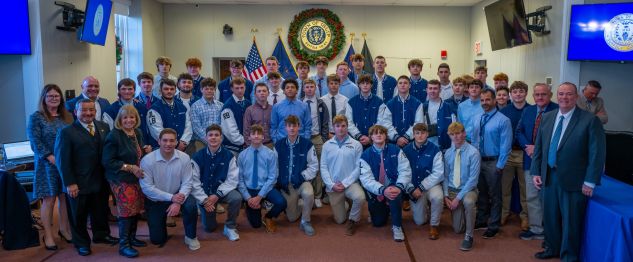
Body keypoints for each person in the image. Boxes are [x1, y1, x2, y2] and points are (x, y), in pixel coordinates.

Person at [530, 82, 605, 261]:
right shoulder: (547, 117)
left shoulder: (589, 120)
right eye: (561, 94)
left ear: (576, 96)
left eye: (569, 94)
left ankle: (569, 256)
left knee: (571, 221)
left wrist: (590, 180)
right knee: (550, 218)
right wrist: (535, 171)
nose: (565, 97)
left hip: (574, 180)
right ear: (557, 95)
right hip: (548, 176)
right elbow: (539, 147)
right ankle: (551, 248)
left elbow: (597, 152)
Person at [55, 99, 118, 256]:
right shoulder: (66, 132)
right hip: (78, 182)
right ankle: (81, 242)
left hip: (101, 180)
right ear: (76, 112)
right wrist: (69, 183)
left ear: (95, 112)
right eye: (84, 110)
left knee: (101, 210)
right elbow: (62, 160)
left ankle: (101, 234)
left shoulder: (103, 127)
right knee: (78, 215)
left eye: (91, 110)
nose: (88, 113)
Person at [27, 84, 74, 251]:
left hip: (65, 163)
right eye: (50, 96)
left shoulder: (67, 117)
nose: (54, 98)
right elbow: (35, 141)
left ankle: (64, 229)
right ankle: (48, 235)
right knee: (49, 199)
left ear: (61, 98)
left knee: (64, 197)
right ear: (44, 99)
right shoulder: (37, 117)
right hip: (47, 164)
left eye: (57, 96)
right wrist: (50, 156)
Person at [102, 105, 151, 258]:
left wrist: (145, 150)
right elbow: (107, 161)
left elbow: (137, 153)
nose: (129, 120)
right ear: (120, 120)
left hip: (136, 177)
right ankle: (124, 245)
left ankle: (132, 238)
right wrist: (129, 167)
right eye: (125, 118)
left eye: (132, 117)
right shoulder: (114, 135)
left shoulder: (137, 132)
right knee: (126, 210)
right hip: (120, 178)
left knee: (136, 208)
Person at [139, 128, 199, 250]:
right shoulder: (147, 160)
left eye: (172, 141)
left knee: (191, 205)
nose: (168, 144)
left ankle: (191, 236)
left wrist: (177, 201)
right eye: (165, 140)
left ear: (176, 142)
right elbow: (147, 188)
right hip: (156, 199)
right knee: (157, 240)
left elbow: (188, 182)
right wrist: (171, 198)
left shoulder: (185, 158)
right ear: (158, 141)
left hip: (179, 195)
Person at [515, 83, 558, 241]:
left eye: (543, 94)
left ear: (550, 95)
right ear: (533, 96)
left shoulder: (558, 111)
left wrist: (538, 148)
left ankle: (551, 229)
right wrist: (528, 147)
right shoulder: (528, 110)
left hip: (550, 161)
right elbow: (519, 132)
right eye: (537, 94)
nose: (540, 97)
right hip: (530, 159)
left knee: (549, 196)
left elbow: (559, 137)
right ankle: (536, 229)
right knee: (532, 195)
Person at [471, 88, 513, 239]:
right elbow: (474, 139)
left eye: (488, 100)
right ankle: (482, 220)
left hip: (494, 162)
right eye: (482, 100)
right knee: (481, 193)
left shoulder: (503, 120)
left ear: (495, 100)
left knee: (495, 195)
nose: (484, 103)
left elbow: (506, 146)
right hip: (479, 161)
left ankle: (494, 225)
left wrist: (500, 165)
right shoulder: (477, 118)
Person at [359, 125, 411, 242]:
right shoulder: (365, 155)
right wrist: (382, 190)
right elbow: (366, 179)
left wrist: (399, 186)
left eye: (381, 133)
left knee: (394, 194)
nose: (378, 135)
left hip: (394, 188)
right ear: (371, 137)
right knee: (378, 222)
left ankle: (397, 226)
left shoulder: (396, 150)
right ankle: (385, 209)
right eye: (375, 133)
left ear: (385, 136)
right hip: (378, 191)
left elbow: (405, 170)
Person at [190, 124, 242, 241]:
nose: (213, 138)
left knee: (236, 198)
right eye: (210, 135)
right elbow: (194, 181)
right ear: (206, 138)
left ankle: (230, 226)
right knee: (209, 228)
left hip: (221, 192)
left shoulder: (229, 156)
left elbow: (232, 179)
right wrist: (204, 200)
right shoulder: (197, 156)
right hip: (205, 195)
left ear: (221, 138)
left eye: (216, 135)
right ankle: (202, 206)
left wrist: (217, 195)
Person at [320, 115, 366, 235]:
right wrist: (331, 184)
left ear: (347, 127)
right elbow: (323, 167)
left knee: (360, 197)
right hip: (334, 186)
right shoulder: (327, 145)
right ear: (333, 128)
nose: (341, 129)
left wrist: (345, 183)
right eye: (338, 126)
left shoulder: (356, 145)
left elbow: (358, 168)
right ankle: (345, 204)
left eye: (343, 126)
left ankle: (353, 220)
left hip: (350, 184)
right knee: (340, 220)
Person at [237, 125, 287, 232]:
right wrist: (248, 198)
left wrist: (260, 196)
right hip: (250, 190)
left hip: (266, 187)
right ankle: (249, 206)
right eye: (253, 134)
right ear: (249, 137)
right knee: (256, 225)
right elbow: (240, 179)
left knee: (281, 202)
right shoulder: (242, 155)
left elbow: (272, 177)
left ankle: (268, 216)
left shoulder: (270, 154)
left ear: (263, 137)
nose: (256, 136)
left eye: (259, 134)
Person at [275, 116, 318, 236]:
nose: (292, 128)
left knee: (309, 193)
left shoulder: (307, 144)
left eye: (294, 125)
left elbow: (314, 166)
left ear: (299, 127)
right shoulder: (278, 145)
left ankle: (306, 221)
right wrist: (280, 182)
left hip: (302, 181)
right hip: (287, 185)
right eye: (289, 126)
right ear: (285, 128)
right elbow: (275, 167)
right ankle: (304, 204)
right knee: (291, 218)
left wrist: (302, 177)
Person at [402, 123, 444, 240]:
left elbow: (438, 173)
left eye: (423, 133)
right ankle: (426, 207)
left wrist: (421, 187)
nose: (420, 136)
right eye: (417, 133)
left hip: (430, 185)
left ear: (427, 134)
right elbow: (403, 172)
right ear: (413, 135)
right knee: (419, 221)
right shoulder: (406, 150)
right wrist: (411, 189)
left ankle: (434, 225)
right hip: (414, 187)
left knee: (438, 197)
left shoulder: (435, 149)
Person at [443, 122, 480, 251]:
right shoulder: (448, 153)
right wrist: (446, 195)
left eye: (458, 133)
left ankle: (469, 236)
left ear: (464, 134)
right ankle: (468, 217)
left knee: (468, 202)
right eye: (452, 134)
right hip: (453, 189)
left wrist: (457, 198)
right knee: (457, 229)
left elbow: (473, 180)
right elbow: (446, 176)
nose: (456, 137)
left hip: (468, 189)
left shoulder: (473, 152)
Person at [499, 81, 530, 230]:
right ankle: (504, 213)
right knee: (505, 187)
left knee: (525, 188)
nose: (518, 94)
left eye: (521, 91)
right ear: (511, 94)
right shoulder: (504, 111)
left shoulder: (532, 110)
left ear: (526, 93)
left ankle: (525, 217)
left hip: (526, 155)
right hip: (508, 154)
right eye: (515, 91)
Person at [301, 79, 330, 207]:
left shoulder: (320, 103)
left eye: (311, 87)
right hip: (303, 139)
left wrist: (323, 139)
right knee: (305, 166)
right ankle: (307, 194)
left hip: (317, 138)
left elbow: (325, 123)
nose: (309, 89)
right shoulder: (299, 103)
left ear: (315, 88)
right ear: (303, 89)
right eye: (306, 87)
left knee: (318, 166)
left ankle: (318, 195)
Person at [147, 79, 193, 155]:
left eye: (172, 89)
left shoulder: (183, 107)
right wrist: (175, 144)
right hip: (160, 149)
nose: (169, 91)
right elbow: (156, 131)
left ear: (175, 91)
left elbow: (188, 127)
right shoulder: (154, 109)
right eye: (166, 89)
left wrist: (183, 142)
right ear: (160, 91)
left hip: (181, 149)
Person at [345, 74, 390, 148]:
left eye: (367, 83)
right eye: (363, 83)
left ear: (371, 85)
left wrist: (371, 137)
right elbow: (349, 122)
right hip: (356, 141)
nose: (365, 85)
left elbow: (381, 121)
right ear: (359, 85)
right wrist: (359, 136)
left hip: (374, 141)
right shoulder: (351, 102)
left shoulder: (379, 102)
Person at [103, 78, 151, 146]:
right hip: (121, 148)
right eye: (123, 89)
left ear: (134, 91)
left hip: (142, 147)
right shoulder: (110, 111)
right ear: (119, 91)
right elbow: (109, 133)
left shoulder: (142, 108)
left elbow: (148, 129)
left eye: (130, 89)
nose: (127, 91)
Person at [384, 75, 425, 148]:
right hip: (393, 143)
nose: (403, 85)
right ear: (397, 86)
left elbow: (418, 123)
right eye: (400, 83)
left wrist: (407, 137)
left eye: (405, 83)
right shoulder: (389, 104)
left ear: (409, 86)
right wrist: (397, 138)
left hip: (412, 143)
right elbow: (386, 123)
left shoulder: (417, 103)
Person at [271, 79, 312, 143]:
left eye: (292, 87)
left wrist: (305, 140)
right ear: (284, 91)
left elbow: (308, 125)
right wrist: (276, 140)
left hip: (300, 141)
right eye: (287, 88)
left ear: (297, 91)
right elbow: (273, 126)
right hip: (281, 141)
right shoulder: (276, 107)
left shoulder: (304, 106)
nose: (290, 89)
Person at [221, 77, 251, 154]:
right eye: (237, 88)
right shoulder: (228, 106)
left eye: (242, 87)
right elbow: (230, 131)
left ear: (245, 88)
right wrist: (244, 141)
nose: (240, 90)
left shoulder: (248, 103)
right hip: (233, 148)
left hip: (247, 145)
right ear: (232, 89)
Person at [191, 78, 223, 147]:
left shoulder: (220, 105)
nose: (209, 91)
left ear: (214, 90)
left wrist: (218, 139)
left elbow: (223, 124)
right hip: (200, 142)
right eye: (206, 89)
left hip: (218, 141)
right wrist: (208, 139)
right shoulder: (195, 106)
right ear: (201, 90)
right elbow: (196, 127)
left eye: (211, 89)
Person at [423, 79, 455, 150]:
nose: (432, 91)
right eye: (430, 88)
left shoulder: (448, 107)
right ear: (426, 90)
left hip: (446, 146)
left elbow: (454, 127)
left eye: (435, 88)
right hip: (428, 146)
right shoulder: (422, 107)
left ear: (440, 90)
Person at [243, 83, 273, 147]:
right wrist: (250, 146)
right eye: (259, 91)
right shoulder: (250, 110)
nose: (262, 93)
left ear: (268, 93)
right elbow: (246, 130)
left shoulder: (273, 109)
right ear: (255, 94)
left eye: (264, 91)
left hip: (270, 144)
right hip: (254, 145)